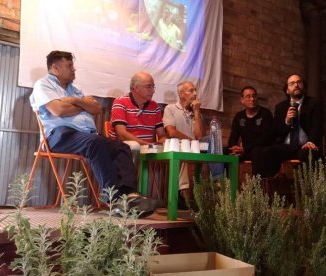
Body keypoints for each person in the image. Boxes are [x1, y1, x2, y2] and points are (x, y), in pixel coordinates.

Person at [29, 50, 139, 201]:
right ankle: (113, 198)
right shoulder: (43, 85)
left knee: (122, 147)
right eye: (69, 66)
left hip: (85, 135)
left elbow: (97, 109)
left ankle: (128, 194)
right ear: (55, 68)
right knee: (95, 142)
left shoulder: (74, 90)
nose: (74, 69)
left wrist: (74, 100)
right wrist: (84, 104)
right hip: (58, 136)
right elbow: (58, 110)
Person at [252, 74, 322, 177]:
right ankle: (263, 187)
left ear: (304, 86)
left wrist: (311, 141)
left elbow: (318, 126)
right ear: (287, 90)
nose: (296, 85)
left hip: (305, 145)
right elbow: (275, 131)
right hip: (286, 146)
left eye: (299, 82)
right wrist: (287, 121)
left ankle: (307, 189)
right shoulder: (281, 107)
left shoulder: (314, 103)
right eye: (292, 83)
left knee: (307, 154)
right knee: (263, 152)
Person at [108, 72, 167, 163]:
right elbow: (122, 134)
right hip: (121, 147)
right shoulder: (120, 102)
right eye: (148, 87)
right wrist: (148, 145)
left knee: (171, 147)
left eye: (153, 87)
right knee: (135, 146)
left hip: (146, 147)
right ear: (136, 88)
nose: (153, 91)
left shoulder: (154, 106)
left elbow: (162, 135)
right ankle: (130, 177)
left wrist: (164, 143)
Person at [162, 81, 205, 203]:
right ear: (181, 94)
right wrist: (191, 142)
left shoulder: (197, 113)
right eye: (191, 90)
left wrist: (196, 112)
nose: (195, 93)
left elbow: (200, 136)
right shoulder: (170, 108)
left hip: (195, 150)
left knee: (205, 148)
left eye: (195, 90)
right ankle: (183, 195)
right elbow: (171, 132)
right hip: (177, 148)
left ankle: (210, 189)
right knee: (184, 151)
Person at [227, 86, 273, 161]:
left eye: (254, 96)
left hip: (259, 149)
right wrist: (234, 148)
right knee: (224, 152)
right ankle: (221, 173)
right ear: (242, 100)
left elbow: (265, 138)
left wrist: (245, 149)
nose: (252, 99)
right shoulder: (239, 116)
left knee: (258, 152)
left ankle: (257, 173)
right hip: (243, 150)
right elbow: (233, 136)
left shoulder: (265, 113)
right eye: (248, 96)